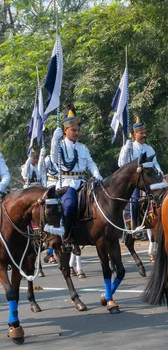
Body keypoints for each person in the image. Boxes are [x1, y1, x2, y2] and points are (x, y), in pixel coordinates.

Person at [50, 104, 103, 249]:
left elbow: (91, 164)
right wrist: (54, 141)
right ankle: (67, 235)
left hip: (82, 182)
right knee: (70, 205)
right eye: (73, 130)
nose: (76, 133)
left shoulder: (83, 148)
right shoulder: (60, 146)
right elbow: (54, 159)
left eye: (78, 130)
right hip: (66, 183)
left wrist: (97, 174)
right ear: (66, 130)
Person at [118, 114, 163, 244]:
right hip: (135, 181)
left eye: (144, 132)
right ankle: (135, 227)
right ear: (134, 134)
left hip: (150, 179)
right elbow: (121, 164)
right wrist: (126, 148)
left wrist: (160, 171)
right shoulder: (129, 148)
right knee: (135, 200)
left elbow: (155, 163)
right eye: (141, 133)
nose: (144, 135)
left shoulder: (149, 148)